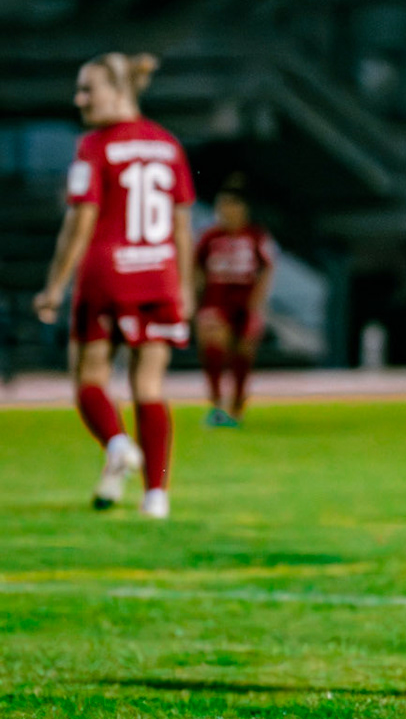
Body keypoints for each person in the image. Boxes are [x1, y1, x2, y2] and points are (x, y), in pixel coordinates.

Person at [33, 52, 196, 520]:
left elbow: (80, 222)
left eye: (89, 89)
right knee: (149, 385)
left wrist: (54, 286)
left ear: (119, 91)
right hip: (160, 276)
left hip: (108, 275)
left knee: (88, 379)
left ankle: (118, 445)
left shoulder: (94, 146)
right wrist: (184, 287)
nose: (79, 99)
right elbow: (182, 227)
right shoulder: (167, 144)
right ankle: (156, 497)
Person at [194, 177, 277, 427]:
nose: (226, 212)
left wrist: (258, 301)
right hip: (217, 303)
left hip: (245, 304)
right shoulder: (209, 237)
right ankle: (216, 404)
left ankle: (237, 405)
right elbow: (196, 268)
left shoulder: (256, 236)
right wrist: (194, 300)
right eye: (222, 207)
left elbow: (267, 268)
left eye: (231, 206)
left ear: (243, 209)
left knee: (243, 354)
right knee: (213, 349)